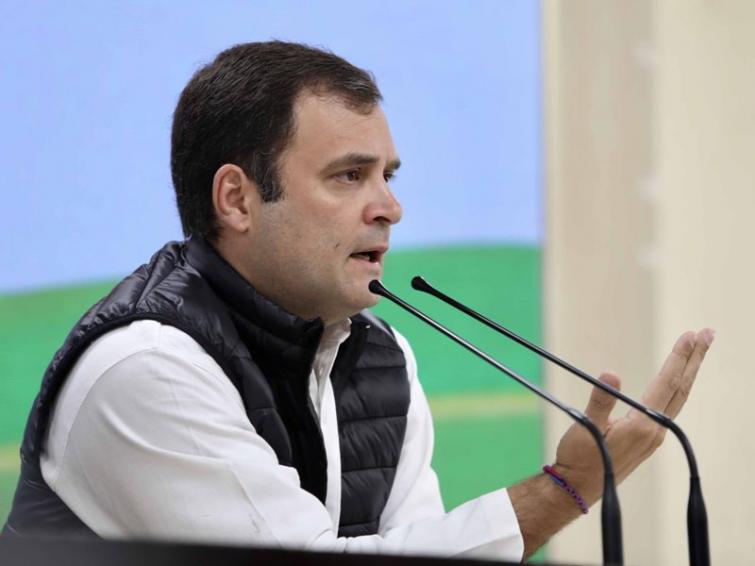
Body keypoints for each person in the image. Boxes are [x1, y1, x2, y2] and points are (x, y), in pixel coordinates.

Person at [2, 41, 713, 561]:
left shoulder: (379, 356)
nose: (389, 208)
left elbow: (415, 546)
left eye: (387, 176)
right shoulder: (145, 369)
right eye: (348, 176)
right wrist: (565, 489)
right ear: (237, 199)